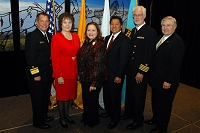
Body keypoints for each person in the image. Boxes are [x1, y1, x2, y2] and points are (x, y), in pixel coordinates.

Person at [146, 16, 185, 133]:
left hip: (166, 82)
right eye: (163, 25)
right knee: (156, 102)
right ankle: (156, 119)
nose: (165, 28)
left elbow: (175, 65)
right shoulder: (160, 38)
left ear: (175, 27)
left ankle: (161, 128)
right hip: (157, 79)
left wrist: (168, 80)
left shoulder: (177, 42)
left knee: (164, 105)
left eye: (168, 25)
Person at [122, 6, 157, 130]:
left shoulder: (150, 32)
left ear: (144, 16)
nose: (137, 17)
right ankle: (129, 113)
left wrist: (142, 71)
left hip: (140, 72)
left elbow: (149, 55)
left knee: (139, 97)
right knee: (130, 95)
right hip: (131, 71)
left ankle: (138, 120)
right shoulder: (131, 31)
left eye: (139, 15)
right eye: (135, 15)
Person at [100, 16, 131, 129]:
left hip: (116, 76)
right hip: (106, 74)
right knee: (107, 96)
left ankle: (115, 118)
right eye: (112, 24)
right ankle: (109, 112)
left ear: (121, 25)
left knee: (115, 98)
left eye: (116, 24)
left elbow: (123, 60)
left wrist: (119, 75)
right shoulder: (107, 38)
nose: (114, 26)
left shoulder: (125, 40)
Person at [25, 12, 54, 129]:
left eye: (47, 21)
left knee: (45, 98)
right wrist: (35, 74)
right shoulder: (32, 36)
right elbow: (30, 58)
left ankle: (44, 116)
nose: (45, 23)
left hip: (47, 74)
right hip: (37, 76)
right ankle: (38, 122)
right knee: (38, 100)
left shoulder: (49, 35)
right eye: (42, 21)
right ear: (37, 22)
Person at [51, 12, 80, 129]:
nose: (67, 25)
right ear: (60, 24)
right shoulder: (56, 38)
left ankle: (67, 115)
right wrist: (59, 75)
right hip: (62, 73)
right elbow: (55, 58)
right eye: (65, 22)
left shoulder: (76, 36)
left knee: (69, 96)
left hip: (73, 72)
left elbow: (76, 55)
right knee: (62, 97)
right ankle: (62, 118)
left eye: (70, 22)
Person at [78, 22, 107, 127]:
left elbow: (98, 65)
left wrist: (94, 83)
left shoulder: (99, 45)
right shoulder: (86, 43)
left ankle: (92, 121)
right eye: (88, 30)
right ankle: (87, 117)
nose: (90, 32)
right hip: (85, 78)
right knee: (87, 100)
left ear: (97, 32)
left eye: (93, 30)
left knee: (92, 102)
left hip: (94, 79)